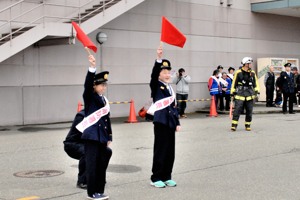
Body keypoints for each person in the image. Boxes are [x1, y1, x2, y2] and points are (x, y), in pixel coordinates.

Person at [77, 55, 112, 200]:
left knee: (101, 164)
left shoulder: (104, 100)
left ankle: (99, 190)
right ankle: (92, 193)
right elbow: (87, 86)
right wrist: (92, 68)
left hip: (102, 137)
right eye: (101, 85)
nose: (103, 87)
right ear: (94, 86)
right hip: (91, 137)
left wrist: (109, 136)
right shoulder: (90, 97)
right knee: (92, 165)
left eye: (105, 85)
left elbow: (106, 120)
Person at [148, 46, 181, 188]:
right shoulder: (156, 86)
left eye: (169, 71)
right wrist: (158, 59)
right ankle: (156, 177)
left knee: (170, 151)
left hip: (170, 123)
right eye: (164, 71)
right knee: (160, 150)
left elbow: (173, 107)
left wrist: (177, 122)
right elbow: (153, 73)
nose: (167, 74)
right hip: (161, 122)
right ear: (159, 74)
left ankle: (167, 176)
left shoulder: (169, 87)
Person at [230, 57, 260, 131]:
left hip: (249, 94)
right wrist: (232, 92)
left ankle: (247, 125)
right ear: (246, 64)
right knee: (237, 110)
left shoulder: (252, 73)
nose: (251, 64)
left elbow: (255, 83)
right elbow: (234, 83)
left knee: (249, 110)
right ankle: (234, 125)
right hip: (240, 94)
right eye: (249, 63)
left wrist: (257, 91)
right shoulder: (238, 72)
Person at [63, 110, 87, 189]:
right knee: (87, 152)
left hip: (86, 143)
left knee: (106, 151)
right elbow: (84, 133)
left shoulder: (98, 115)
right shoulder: (81, 116)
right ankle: (82, 181)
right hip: (72, 144)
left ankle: (99, 178)